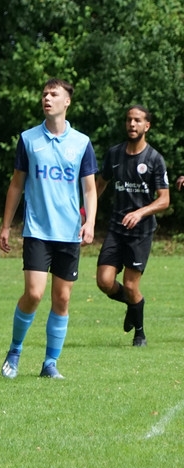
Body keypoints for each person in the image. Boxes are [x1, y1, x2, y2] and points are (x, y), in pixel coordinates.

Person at [0, 78, 97, 380]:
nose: (47, 98)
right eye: (44, 94)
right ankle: (15, 351)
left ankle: (50, 363)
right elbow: (16, 184)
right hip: (37, 230)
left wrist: (90, 222)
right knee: (34, 293)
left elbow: (89, 189)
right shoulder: (28, 139)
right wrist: (5, 226)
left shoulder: (81, 143)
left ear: (67, 101)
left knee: (62, 298)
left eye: (54, 94)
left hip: (69, 233)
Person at [95, 105, 169, 347]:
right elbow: (99, 184)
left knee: (130, 284)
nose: (132, 124)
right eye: (128, 120)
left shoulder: (155, 159)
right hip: (116, 228)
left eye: (137, 120)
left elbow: (164, 200)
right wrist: (86, 213)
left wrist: (140, 213)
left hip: (141, 232)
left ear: (147, 126)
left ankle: (140, 334)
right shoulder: (114, 154)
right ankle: (133, 304)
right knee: (104, 281)